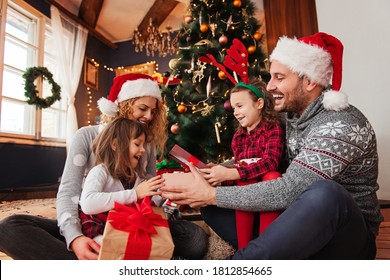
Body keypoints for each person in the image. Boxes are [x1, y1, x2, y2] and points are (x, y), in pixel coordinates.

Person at [161, 32, 384, 259]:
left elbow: (290, 189)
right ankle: (272, 252)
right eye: (271, 77)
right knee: (212, 205)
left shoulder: (340, 123)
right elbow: (255, 156)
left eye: (279, 77)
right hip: (298, 225)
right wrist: (209, 174)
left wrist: (211, 194)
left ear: (310, 81)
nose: (269, 87)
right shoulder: (289, 119)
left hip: (346, 239)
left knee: (326, 194)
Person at [0, 73, 208, 260]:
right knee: (10, 227)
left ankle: (99, 262)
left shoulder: (147, 145)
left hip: (131, 223)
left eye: (153, 111)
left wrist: (165, 193)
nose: (149, 117)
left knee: (195, 239)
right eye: (142, 109)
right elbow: (69, 193)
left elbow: (150, 192)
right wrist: (75, 238)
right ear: (124, 105)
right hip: (89, 222)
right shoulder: (87, 136)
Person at [200, 80, 285, 249]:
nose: (236, 112)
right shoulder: (239, 136)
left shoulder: (273, 128)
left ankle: (266, 246)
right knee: (244, 181)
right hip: (247, 186)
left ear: (259, 104)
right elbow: (240, 164)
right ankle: (245, 248)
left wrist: (233, 172)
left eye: (240, 106)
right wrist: (220, 173)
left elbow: (271, 162)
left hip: (269, 188)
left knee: (272, 176)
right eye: (234, 108)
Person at [78, 117, 163, 245]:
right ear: (115, 144)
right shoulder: (99, 172)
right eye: (137, 144)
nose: (143, 150)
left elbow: (146, 200)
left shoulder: (134, 176)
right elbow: (88, 204)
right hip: (98, 225)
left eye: (143, 145)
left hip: (122, 224)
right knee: (110, 245)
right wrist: (135, 194)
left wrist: (162, 193)